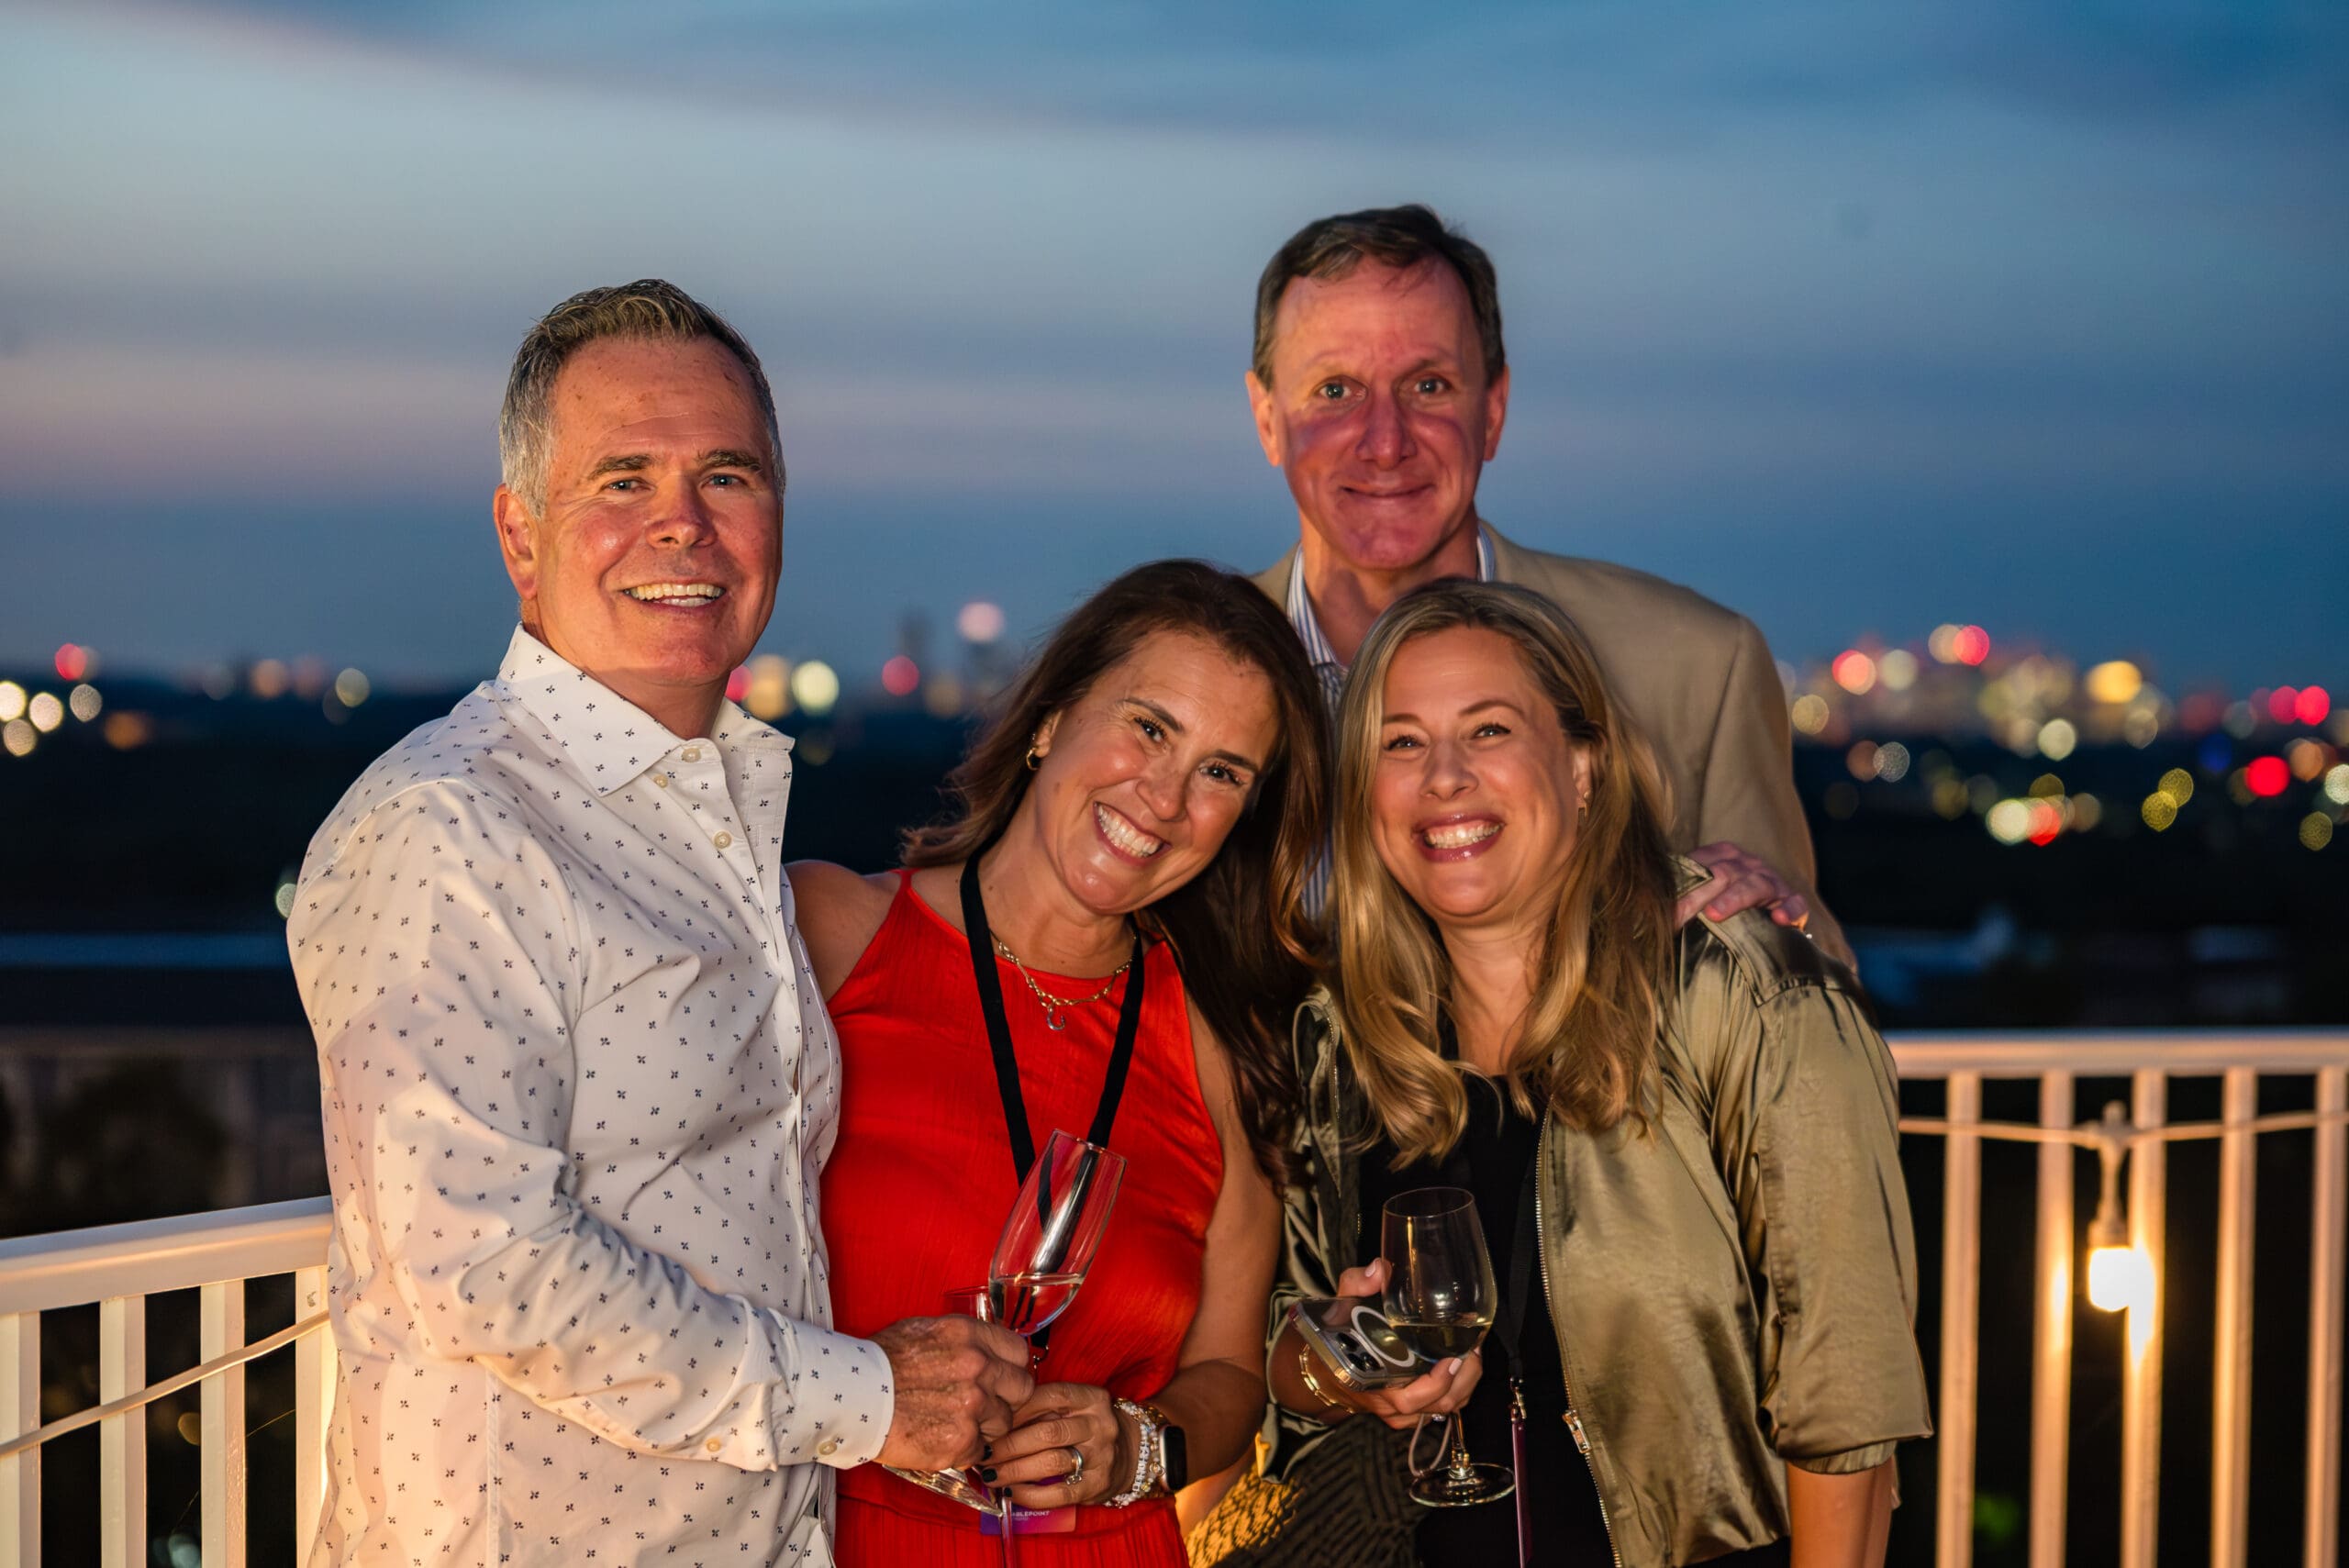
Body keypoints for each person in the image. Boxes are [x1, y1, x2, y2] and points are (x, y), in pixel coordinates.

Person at [287, 280, 1035, 1565]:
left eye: (726, 476)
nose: (683, 522)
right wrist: (867, 1399)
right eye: (622, 479)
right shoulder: (451, 827)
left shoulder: (719, 829)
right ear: (520, 536)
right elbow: (483, 1263)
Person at [1257, 581, 1929, 1567]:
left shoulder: (1743, 992)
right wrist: (1344, 1362)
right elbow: (1285, 1353)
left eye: (1488, 729)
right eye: (1400, 742)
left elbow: (1848, 1399)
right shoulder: (1344, 1034)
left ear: (1582, 765)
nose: (1443, 777)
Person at [790, 561, 1328, 1567]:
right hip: (842, 1537)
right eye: (1150, 727)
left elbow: (1227, 1374)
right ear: (1050, 717)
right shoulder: (826, 936)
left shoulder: (1223, 1044)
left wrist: (1135, 1446)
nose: (1164, 797)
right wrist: (859, 1389)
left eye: (1221, 772)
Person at [1243, 204, 1852, 965]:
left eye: (1428, 384)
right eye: (1336, 390)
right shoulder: (1183, 693)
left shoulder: (1696, 669)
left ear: (1493, 411)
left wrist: (1787, 928)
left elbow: (1813, 989)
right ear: (1267, 418)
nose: (1386, 441)